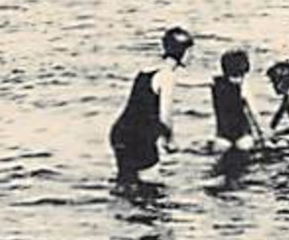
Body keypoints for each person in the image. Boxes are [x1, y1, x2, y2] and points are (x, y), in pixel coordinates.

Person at [109, 26, 191, 185]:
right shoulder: (168, 76)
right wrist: (170, 141)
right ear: (181, 51)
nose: (191, 56)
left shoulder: (148, 70)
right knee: (151, 189)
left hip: (120, 132)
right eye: (189, 51)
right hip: (140, 137)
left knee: (125, 184)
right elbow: (165, 116)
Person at [210, 49, 265, 152]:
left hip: (222, 135)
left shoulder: (216, 85)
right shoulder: (243, 86)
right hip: (243, 134)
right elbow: (254, 113)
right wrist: (263, 134)